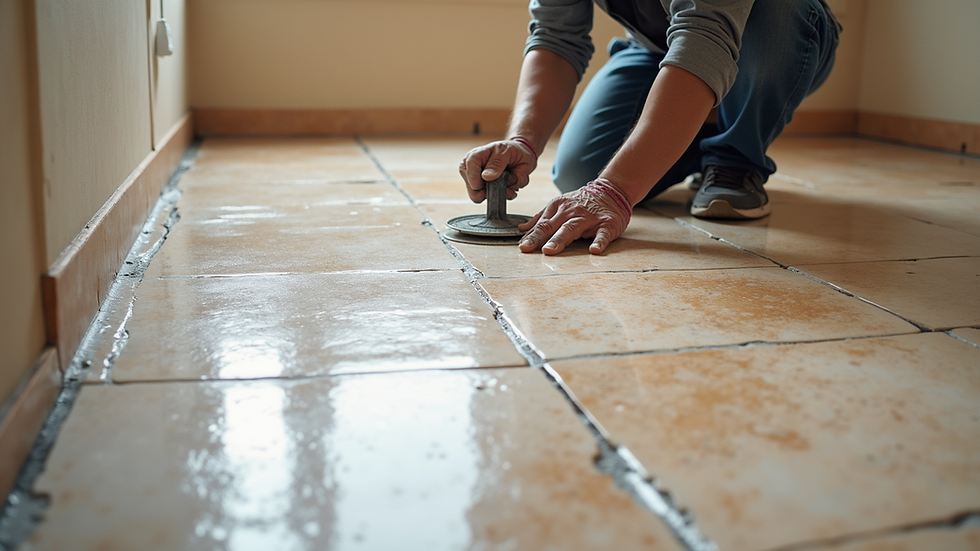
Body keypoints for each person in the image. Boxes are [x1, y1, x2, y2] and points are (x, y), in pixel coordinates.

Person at [458, 0, 840, 255]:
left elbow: (706, 35)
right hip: (656, 48)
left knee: (775, 10)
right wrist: (523, 139)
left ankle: (735, 157)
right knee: (581, 171)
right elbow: (555, 36)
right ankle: (703, 119)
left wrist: (615, 189)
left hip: (774, 32)